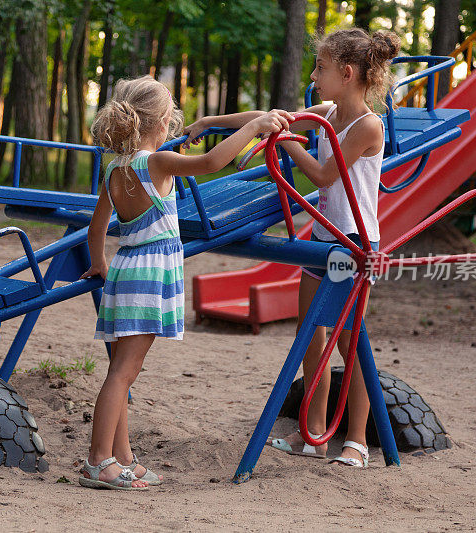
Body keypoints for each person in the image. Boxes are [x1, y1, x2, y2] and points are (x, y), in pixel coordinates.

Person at [183, 28, 401, 468]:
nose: (314, 76)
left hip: (353, 242)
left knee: (349, 342)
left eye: (321, 68)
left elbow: (323, 175)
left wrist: (284, 142)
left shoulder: (368, 125)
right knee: (310, 338)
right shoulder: (329, 111)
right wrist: (209, 123)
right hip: (323, 237)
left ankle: (356, 440)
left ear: (347, 72)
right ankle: (316, 435)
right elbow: (271, 116)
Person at [80, 75, 289, 489]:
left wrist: (99, 263)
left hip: (125, 272)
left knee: (121, 371)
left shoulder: (114, 170)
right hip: (149, 277)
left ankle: (122, 458)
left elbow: (96, 227)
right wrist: (254, 128)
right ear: (161, 123)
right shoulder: (155, 163)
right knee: (123, 372)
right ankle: (98, 461)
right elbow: (212, 163)